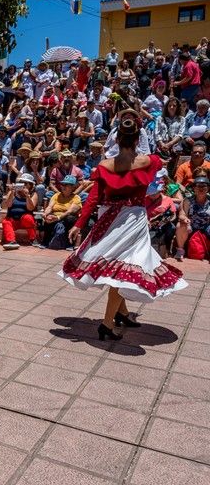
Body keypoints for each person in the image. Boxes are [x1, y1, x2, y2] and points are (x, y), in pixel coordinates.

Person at [62, 113, 188, 341]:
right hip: (133, 220)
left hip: (110, 219)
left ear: (117, 139)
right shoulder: (150, 161)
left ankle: (122, 314)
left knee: (121, 266)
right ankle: (107, 325)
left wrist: (79, 224)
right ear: (138, 139)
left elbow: (92, 198)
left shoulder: (104, 165)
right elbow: (164, 173)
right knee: (123, 270)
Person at [41, 175, 82, 249]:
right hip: (55, 216)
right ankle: (45, 242)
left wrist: (58, 217)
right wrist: (45, 213)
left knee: (70, 218)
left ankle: (69, 244)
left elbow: (70, 211)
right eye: (62, 184)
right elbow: (50, 207)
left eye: (66, 185)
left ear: (72, 187)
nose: (63, 186)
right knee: (48, 217)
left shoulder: (76, 198)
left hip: (66, 218)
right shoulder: (56, 195)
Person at [175, 175, 210, 261]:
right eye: (198, 186)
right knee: (180, 225)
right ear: (194, 188)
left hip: (207, 227)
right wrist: (185, 219)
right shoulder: (188, 200)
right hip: (191, 226)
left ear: (208, 188)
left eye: (204, 186)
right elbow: (182, 215)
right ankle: (180, 250)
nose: (201, 189)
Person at [1, 172, 40, 249]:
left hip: (25, 220)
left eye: (25, 183)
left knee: (28, 218)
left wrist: (27, 196)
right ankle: (11, 241)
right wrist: (12, 192)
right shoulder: (12, 192)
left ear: (30, 185)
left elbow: (30, 208)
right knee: (5, 222)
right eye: (21, 182)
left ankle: (33, 238)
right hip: (12, 219)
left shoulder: (33, 194)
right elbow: (8, 205)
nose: (23, 185)